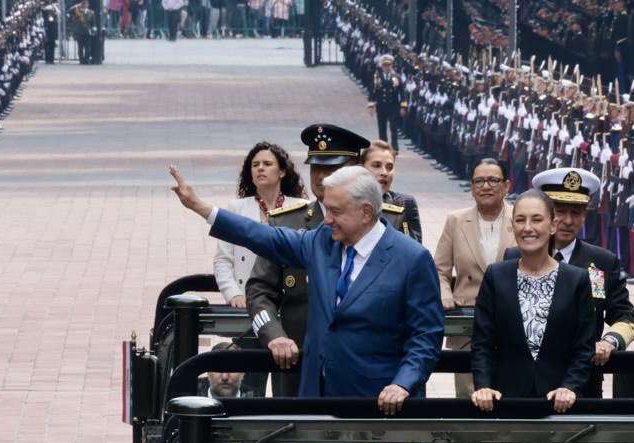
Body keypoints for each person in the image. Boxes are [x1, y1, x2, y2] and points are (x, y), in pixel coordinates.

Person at [171, 163, 444, 414]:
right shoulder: (322, 243)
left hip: (380, 403)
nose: (327, 220)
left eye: (336, 212)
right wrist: (201, 208)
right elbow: (265, 237)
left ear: (366, 212)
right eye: (327, 209)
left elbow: (426, 334)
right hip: (317, 401)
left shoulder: (411, 258)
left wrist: (403, 383)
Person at [245, 124, 368, 397]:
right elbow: (259, 291)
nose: (322, 176)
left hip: (362, 366)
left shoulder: (381, 222)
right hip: (298, 362)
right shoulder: (286, 222)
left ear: (356, 169)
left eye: (332, 169)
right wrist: (273, 334)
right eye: (316, 167)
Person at [509, 167, 634, 399]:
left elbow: (625, 318)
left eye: (576, 212)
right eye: (560, 211)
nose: (568, 221)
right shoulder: (515, 256)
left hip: (581, 383)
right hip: (525, 384)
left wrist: (610, 341)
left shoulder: (601, 262)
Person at [469, 189, 596, 414]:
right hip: (506, 401)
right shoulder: (495, 275)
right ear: (513, 225)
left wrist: (569, 387)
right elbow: (482, 342)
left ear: (553, 225)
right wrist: (484, 386)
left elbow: (584, 346)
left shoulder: (576, 279)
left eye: (537, 219)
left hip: (561, 403)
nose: (528, 228)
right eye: (520, 220)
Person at [434, 157, 515, 395]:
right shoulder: (456, 220)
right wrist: (444, 292)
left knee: (509, 394)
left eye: (493, 180)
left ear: (507, 186)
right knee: (469, 397)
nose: (486, 186)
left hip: (510, 322)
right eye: (479, 181)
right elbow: (439, 270)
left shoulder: (520, 219)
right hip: (467, 322)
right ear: (471, 187)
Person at [214, 140, 308, 309]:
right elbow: (223, 260)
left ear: (282, 171)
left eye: (267, 164)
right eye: (255, 164)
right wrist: (233, 293)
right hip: (246, 301)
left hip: (291, 303)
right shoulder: (236, 208)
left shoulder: (302, 207)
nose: (260, 168)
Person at [361, 139, 422, 243]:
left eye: (389, 167)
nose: (384, 172)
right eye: (376, 165)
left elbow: (414, 252)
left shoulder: (405, 204)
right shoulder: (346, 202)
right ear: (362, 168)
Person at [368, 53, 404, 150]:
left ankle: (395, 147)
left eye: (388, 65)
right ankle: (383, 147)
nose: (386, 67)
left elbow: (402, 92)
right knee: (382, 127)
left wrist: (403, 106)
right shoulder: (377, 77)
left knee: (393, 127)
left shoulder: (396, 77)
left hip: (393, 106)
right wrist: (371, 105)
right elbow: (372, 92)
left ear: (391, 65)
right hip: (381, 106)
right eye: (384, 65)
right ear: (382, 66)